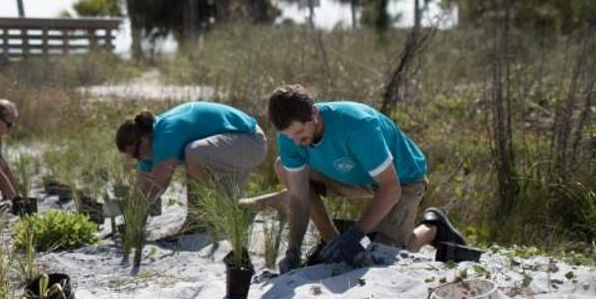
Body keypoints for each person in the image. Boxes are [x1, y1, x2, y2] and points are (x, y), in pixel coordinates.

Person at [239, 84, 467, 273]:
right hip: (350, 175)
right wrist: (293, 250)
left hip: (402, 179)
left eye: (300, 134)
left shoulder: (357, 126)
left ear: (314, 114)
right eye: (290, 136)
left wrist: (355, 234)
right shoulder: (290, 138)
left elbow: (390, 188)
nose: (296, 142)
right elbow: (299, 200)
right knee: (284, 167)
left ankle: (433, 228)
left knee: (383, 257)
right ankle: (330, 241)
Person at [114, 102, 267, 233]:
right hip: (231, 146)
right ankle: (250, 208)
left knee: (194, 152)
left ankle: (195, 222)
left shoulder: (165, 134)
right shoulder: (147, 149)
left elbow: (158, 184)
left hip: (251, 142)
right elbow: (142, 186)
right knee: (222, 212)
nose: (137, 159)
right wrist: (131, 221)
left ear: (143, 139)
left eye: (135, 154)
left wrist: (136, 218)